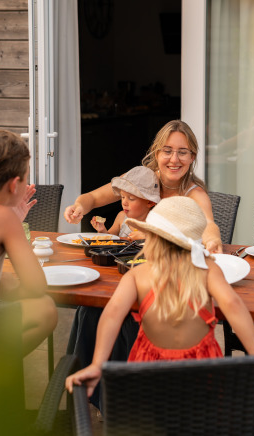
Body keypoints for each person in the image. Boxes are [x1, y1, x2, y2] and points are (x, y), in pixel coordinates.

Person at [66, 196, 254, 398]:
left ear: (153, 238)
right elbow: (233, 305)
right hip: (200, 372)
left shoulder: (137, 275)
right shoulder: (207, 270)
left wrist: (98, 364)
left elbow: (111, 316)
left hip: (149, 374)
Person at [66, 166, 161, 408]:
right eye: (123, 198)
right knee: (88, 309)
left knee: (123, 322)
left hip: (142, 285)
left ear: (150, 202)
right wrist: (102, 232)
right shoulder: (121, 218)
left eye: (131, 199)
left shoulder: (156, 224)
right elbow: (111, 239)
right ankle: (87, 382)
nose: (125, 204)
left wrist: (147, 237)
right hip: (118, 277)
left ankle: (116, 394)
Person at [64, 120, 223, 253]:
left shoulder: (194, 194)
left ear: (192, 157)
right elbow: (92, 198)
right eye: (167, 151)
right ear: (157, 154)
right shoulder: (140, 180)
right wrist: (78, 206)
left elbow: (208, 225)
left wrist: (213, 240)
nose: (174, 160)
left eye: (182, 152)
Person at [0, 130, 58, 357]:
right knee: (45, 309)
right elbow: (36, 286)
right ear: (14, 185)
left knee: (7, 281)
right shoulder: (3, 217)